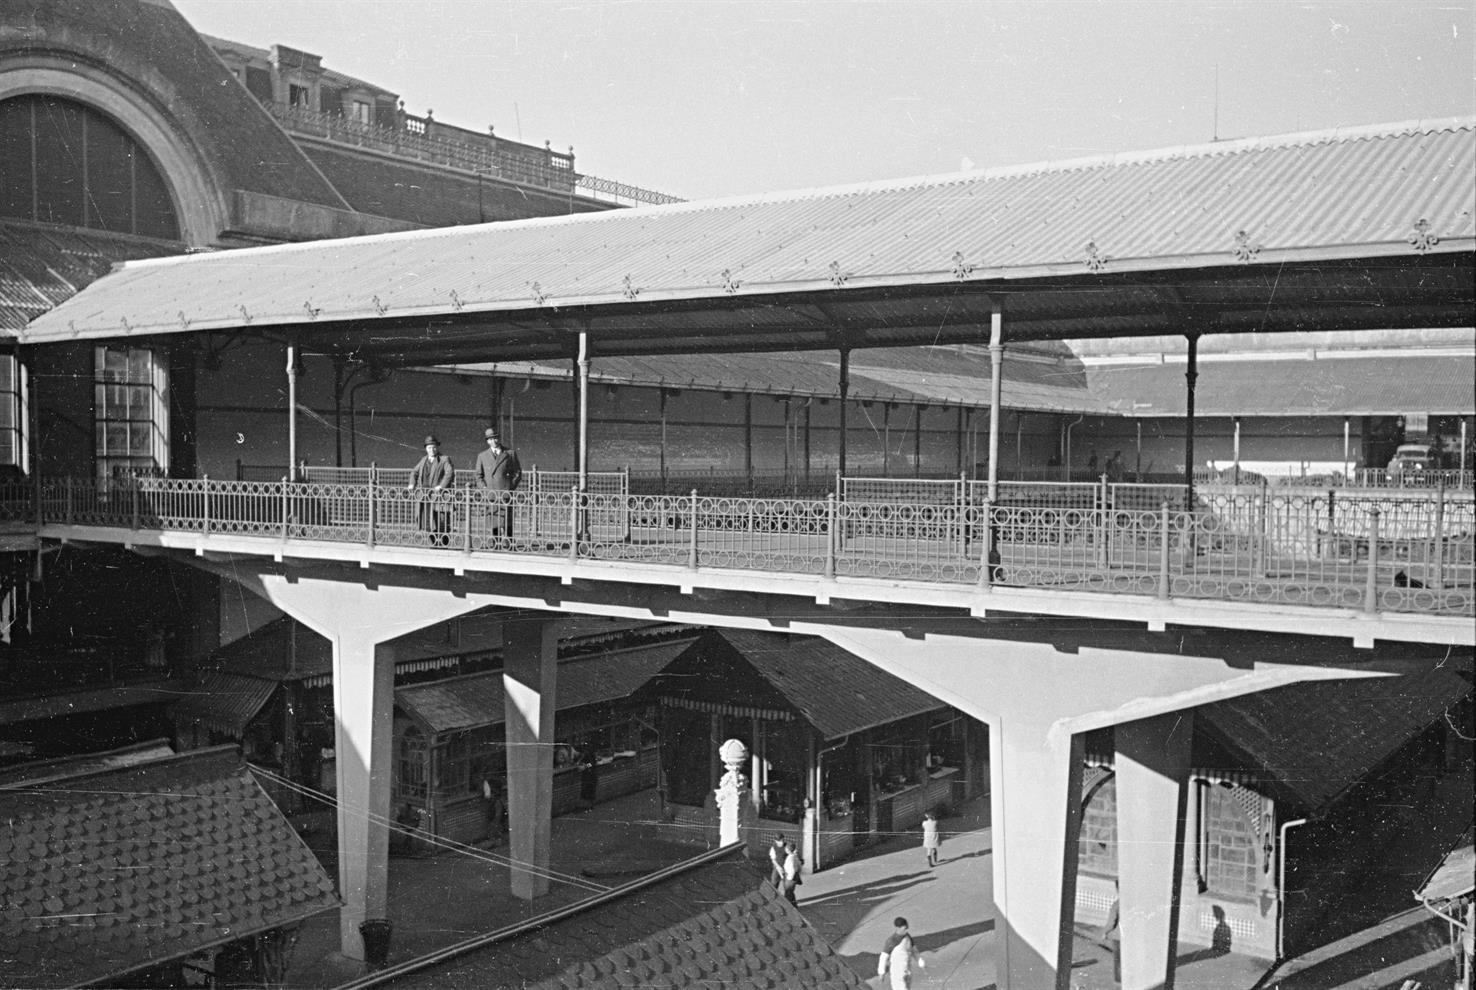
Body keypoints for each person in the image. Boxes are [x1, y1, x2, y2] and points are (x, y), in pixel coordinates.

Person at [473, 428, 522, 540]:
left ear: (499, 438)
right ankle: (496, 542)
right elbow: (478, 476)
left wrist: (510, 487)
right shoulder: (482, 456)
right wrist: (484, 488)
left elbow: (518, 473)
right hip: (491, 493)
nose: (493, 441)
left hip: (506, 494)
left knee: (507, 519)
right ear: (487, 441)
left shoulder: (510, 453)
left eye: (495, 438)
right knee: (494, 518)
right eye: (490, 439)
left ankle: (509, 542)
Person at [407, 434, 455, 546]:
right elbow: (414, 472)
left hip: (438, 496)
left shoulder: (444, 459)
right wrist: (411, 483)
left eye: (433, 447)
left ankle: (443, 544)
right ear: (426, 449)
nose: (432, 450)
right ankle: (434, 543)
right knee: (427, 521)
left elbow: (449, 473)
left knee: (440, 521)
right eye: (429, 447)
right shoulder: (423, 460)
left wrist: (441, 486)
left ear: (437, 447)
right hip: (425, 496)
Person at [877, 916, 924, 989]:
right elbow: (883, 957)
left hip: (908, 970)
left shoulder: (908, 937)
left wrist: (920, 961)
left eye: (907, 927)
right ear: (898, 928)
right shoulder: (891, 941)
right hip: (897, 973)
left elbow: (914, 950)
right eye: (905, 928)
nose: (907, 930)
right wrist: (881, 972)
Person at [1100, 884, 1122, 984]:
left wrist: (1105, 933)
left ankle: (1118, 981)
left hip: (1118, 937)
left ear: (1118, 889)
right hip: (1130, 938)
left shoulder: (1116, 905)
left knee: (1118, 960)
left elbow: (1111, 923)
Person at [781, 840, 802, 905]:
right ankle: (794, 904)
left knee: (788, 892)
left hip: (790, 877)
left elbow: (792, 870)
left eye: (786, 848)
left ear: (788, 850)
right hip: (794, 876)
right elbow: (799, 866)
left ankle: (788, 906)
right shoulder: (794, 856)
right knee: (790, 892)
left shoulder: (790, 858)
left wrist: (789, 878)